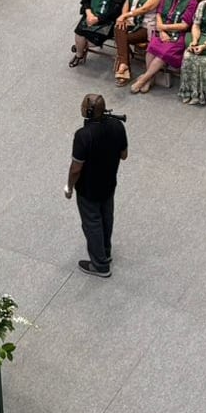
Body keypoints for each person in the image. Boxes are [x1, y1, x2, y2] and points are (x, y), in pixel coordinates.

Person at [66, 94, 128, 277]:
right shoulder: (117, 126)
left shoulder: (83, 135)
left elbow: (76, 168)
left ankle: (100, 265)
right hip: (109, 182)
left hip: (88, 188)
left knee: (92, 223)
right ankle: (106, 252)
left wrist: (69, 186)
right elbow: (124, 155)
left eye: (83, 105)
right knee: (106, 217)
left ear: (89, 111)